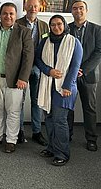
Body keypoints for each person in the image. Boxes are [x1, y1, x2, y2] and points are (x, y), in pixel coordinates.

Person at [0, 2, 33, 153]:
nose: (8, 16)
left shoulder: (24, 31)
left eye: (11, 13)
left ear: (16, 15)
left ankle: (11, 139)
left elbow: (28, 57)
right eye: (5, 13)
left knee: (13, 111)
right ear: (0, 14)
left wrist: (23, 78)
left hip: (15, 79)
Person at [36, 15, 82, 166]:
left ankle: (62, 153)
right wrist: (49, 71)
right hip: (48, 85)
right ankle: (51, 147)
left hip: (65, 88)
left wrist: (67, 86)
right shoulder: (45, 41)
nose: (56, 27)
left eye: (59, 24)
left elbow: (75, 67)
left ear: (64, 25)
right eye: (53, 25)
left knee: (60, 120)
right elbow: (38, 60)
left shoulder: (73, 42)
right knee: (49, 118)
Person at [67, 0, 101, 151]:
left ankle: (91, 139)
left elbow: (98, 52)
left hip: (89, 76)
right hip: (69, 76)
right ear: (72, 11)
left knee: (89, 108)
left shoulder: (97, 30)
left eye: (81, 8)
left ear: (86, 10)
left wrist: (82, 69)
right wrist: (73, 70)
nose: (78, 11)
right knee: (68, 108)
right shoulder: (66, 28)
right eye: (75, 8)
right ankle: (66, 135)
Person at [16, 0, 49, 146]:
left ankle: (36, 132)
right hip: (22, 67)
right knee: (19, 101)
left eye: (35, 6)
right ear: (25, 7)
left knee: (36, 101)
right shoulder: (17, 24)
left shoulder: (44, 26)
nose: (33, 9)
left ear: (39, 8)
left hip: (38, 67)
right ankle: (20, 131)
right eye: (30, 6)